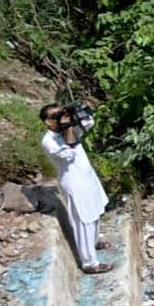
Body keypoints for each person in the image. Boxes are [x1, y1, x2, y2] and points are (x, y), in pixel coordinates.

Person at [40, 103, 112, 275]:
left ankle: (94, 243)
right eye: (57, 115)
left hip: (88, 177)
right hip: (74, 183)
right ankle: (89, 263)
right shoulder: (49, 141)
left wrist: (78, 113)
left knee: (95, 212)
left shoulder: (66, 129)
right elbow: (68, 154)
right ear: (49, 122)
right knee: (83, 220)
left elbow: (89, 123)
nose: (62, 117)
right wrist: (68, 128)